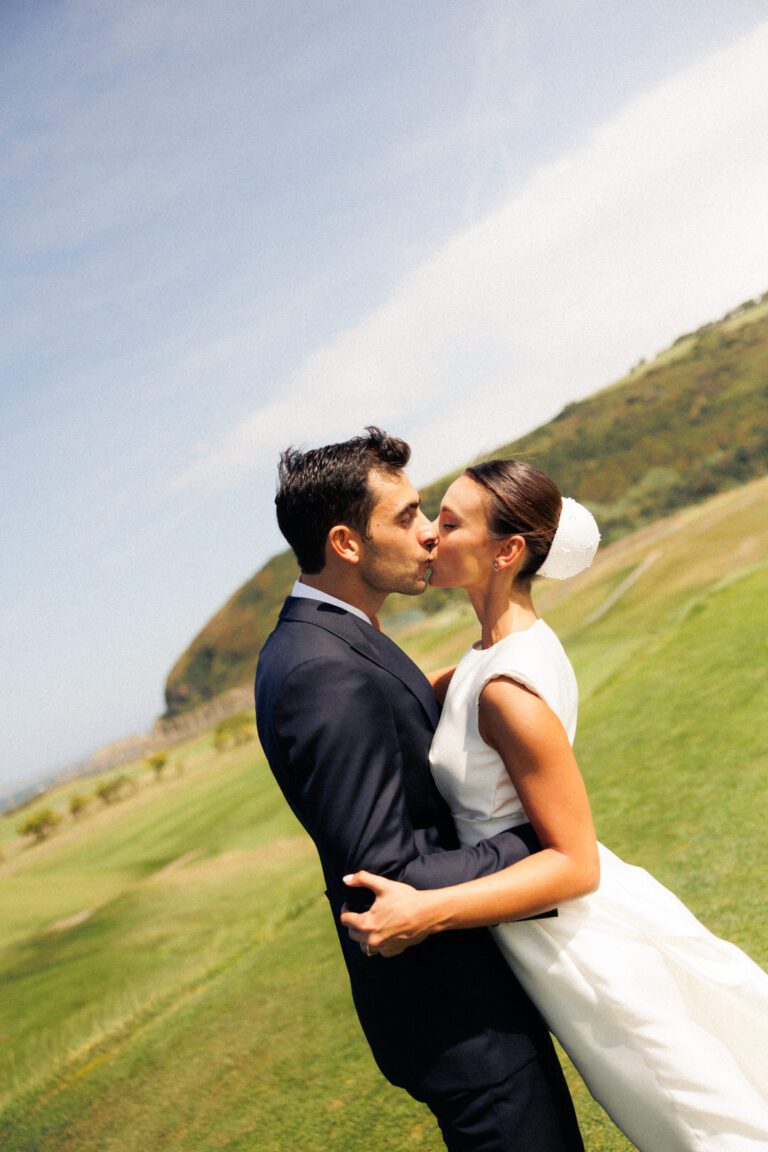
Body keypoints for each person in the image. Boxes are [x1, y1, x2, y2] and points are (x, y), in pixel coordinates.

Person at [342, 459, 768, 1152]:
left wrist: (426, 910)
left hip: (581, 947)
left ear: (507, 551)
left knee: (701, 1123)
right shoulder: (487, 657)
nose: (430, 535)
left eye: (449, 523)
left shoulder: (507, 691)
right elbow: (407, 697)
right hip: (550, 936)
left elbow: (575, 864)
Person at [255, 430, 584, 1151]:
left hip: (456, 1004)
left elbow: (393, 716)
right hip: (459, 1019)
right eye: (406, 517)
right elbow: (387, 874)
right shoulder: (323, 671)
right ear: (346, 543)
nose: (429, 531)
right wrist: (532, 842)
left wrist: (473, 681)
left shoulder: (324, 639)